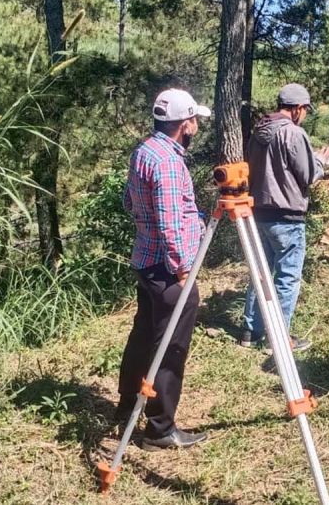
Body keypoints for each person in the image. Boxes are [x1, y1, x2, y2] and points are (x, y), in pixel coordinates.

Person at [116, 88, 212, 450]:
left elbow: (129, 202)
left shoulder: (143, 151)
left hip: (146, 260)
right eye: (195, 120)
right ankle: (159, 428)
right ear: (185, 124)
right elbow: (170, 223)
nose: (197, 125)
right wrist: (183, 269)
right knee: (170, 346)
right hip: (168, 269)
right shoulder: (169, 162)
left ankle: (128, 404)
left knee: (143, 335)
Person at [239, 83, 329, 351]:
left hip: (258, 214)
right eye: (305, 110)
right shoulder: (294, 133)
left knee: (260, 273)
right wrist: (321, 161)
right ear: (298, 108)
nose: (304, 115)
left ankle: (250, 332)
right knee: (287, 278)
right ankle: (278, 339)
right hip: (288, 217)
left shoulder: (258, 132)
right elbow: (308, 175)